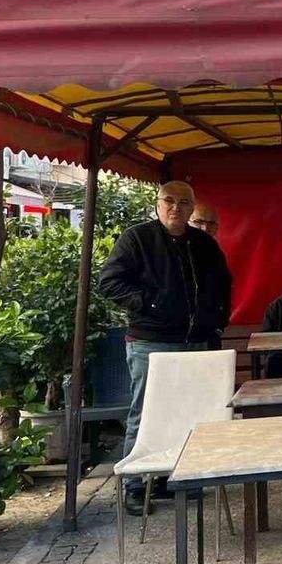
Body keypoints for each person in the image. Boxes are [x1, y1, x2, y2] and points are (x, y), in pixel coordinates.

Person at [98, 180, 232, 515]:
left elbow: (224, 284)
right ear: (158, 203)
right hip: (150, 342)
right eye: (169, 200)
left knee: (189, 413)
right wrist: (148, 303)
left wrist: (217, 321)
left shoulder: (203, 243)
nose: (175, 207)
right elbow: (109, 282)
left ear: (191, 208)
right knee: (145, 413)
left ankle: (171, 478)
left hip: (196, 342)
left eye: (183, 202)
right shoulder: (137, 238)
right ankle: (134, 485)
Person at [190, 203, 224, 349]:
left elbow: (224, 289)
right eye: (198, 222)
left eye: (211, 223)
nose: (205, 228)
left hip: (209, 332)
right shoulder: (172, 249)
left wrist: (220, 323)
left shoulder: (216, 254)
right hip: (173, 335)